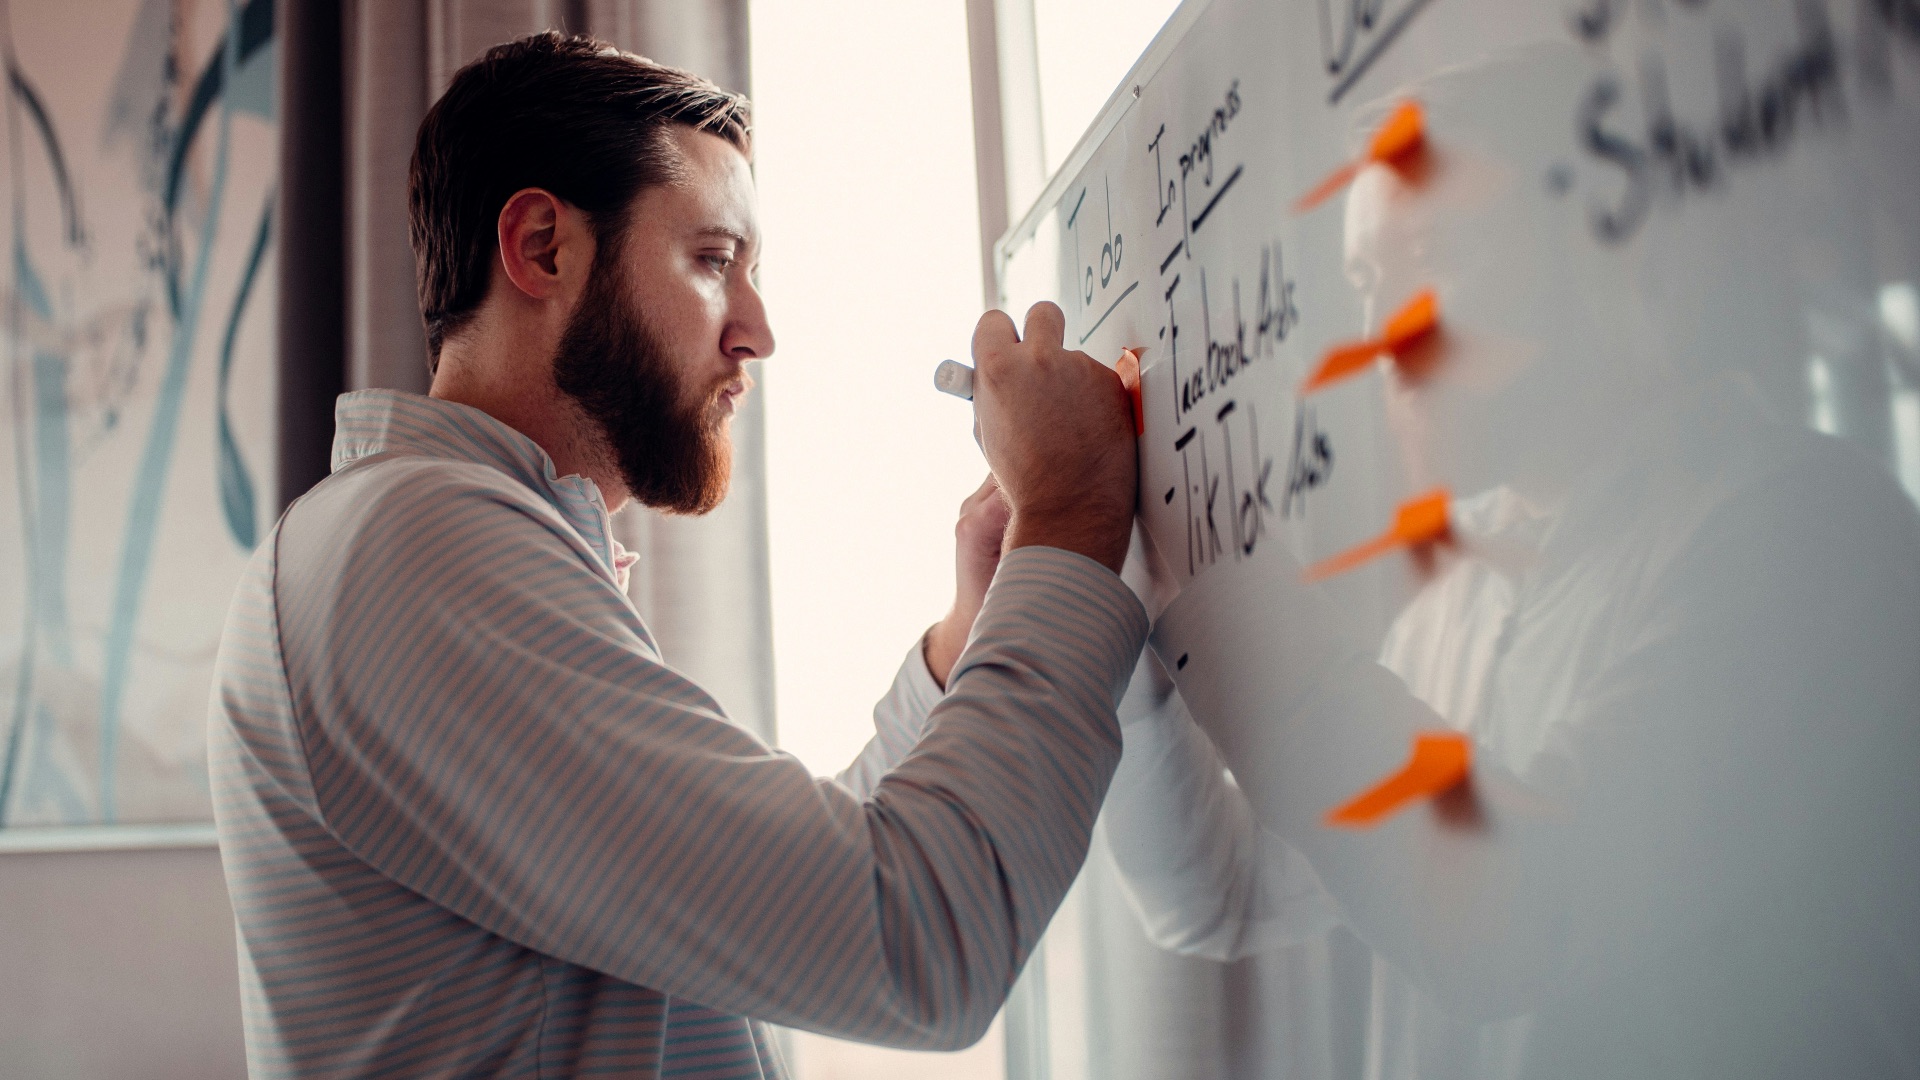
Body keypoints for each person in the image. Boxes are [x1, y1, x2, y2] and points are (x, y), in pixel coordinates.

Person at [208, 33, 1143, 1079]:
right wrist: (1069, 516)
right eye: (712, 261)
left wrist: (968, 641)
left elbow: (766, 906)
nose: (758, 330)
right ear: (542, 248)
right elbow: (915, 939)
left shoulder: (437, 542)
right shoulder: (412, 548)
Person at [1103, 50, 1920, 1080]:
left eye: (1433, 251)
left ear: (1597, 241)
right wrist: (1125, 599)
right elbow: (1221, 894)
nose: (1375, 343)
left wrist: (1212, 591)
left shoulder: (1807, 539)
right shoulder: (1454, 606)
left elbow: (1519, 913)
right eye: (1365, 283)